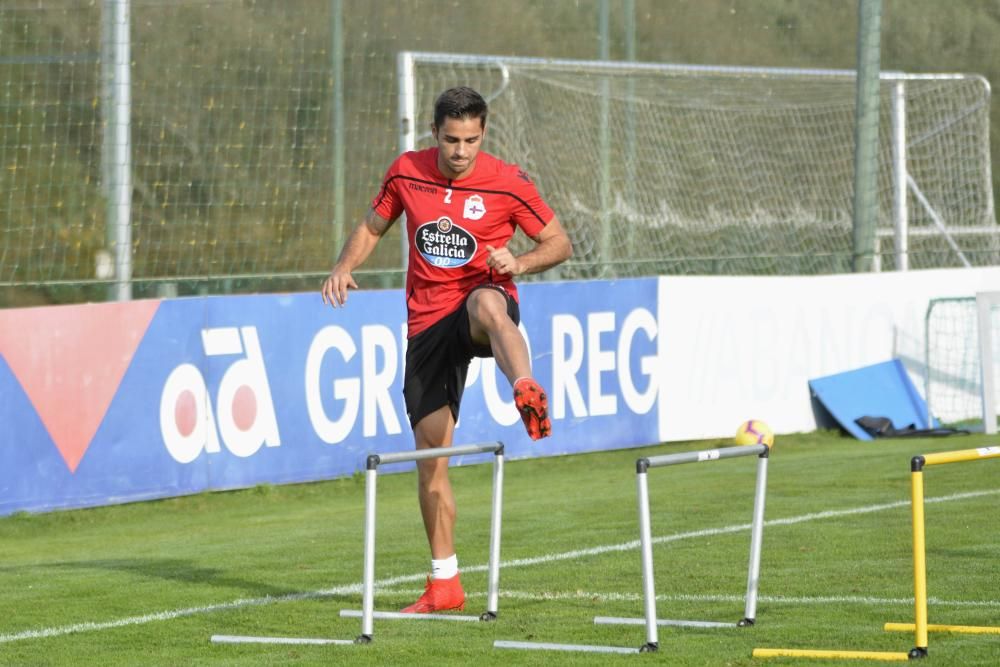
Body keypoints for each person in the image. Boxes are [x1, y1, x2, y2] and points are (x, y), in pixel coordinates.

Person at [321, 86, 572, 614]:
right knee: (431, 459)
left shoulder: (507, 182)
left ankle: (524, 386)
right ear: (435, 132)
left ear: (484, 133)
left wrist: (519, 264)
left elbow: (559, 242)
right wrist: (345, 266)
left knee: (487, 304)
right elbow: (372, 226)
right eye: (453, 139)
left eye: (472, 140)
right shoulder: (407, 171)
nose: (462, 151)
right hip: (427, 323)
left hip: (481, 301)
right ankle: (445, 584)